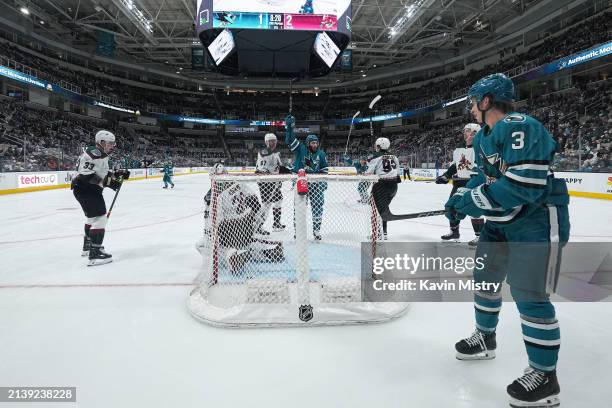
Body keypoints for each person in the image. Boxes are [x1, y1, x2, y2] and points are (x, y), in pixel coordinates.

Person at [445, 73, 569, 408]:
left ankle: (545, 376)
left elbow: (523, 185)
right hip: (500, 223)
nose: (470, 109)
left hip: (535, 221)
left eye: (473, 102)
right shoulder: (482, 138)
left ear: (486, 101)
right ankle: (485, 337)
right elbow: (483, 179)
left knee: (530, 295)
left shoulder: (520, 125)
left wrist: (474, 201)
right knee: (484, 280)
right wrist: (459, 199)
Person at [197, 164, 284, 273]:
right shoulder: (239, 182)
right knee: (245, 243)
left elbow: (216, 223)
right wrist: (251, 219)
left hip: (229, 232)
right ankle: (265, 252)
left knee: (201, 245)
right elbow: (255, 203)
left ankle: (231, 256)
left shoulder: (215, 196)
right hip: (246, 228)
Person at [72, 130, 130, 266]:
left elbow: (101, 172)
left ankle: (88, 246)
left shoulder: (101, 154)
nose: (113, 145)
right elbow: (87, 176)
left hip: (85, 190)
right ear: (102, 142)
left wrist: (117, 174)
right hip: (86, 190)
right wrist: (110, 182)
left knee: (92, 219)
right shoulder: (94, 154)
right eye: (110, 143)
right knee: (100, 219)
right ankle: (95, 253)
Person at [436, 123, 485, 247]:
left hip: (474, 182)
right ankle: (454, 232)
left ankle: (480, 237)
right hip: (459, 183)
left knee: (475, 209)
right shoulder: (459, 148)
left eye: (468, 131)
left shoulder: (481, 147)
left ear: (475, 133)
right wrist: (446, 176)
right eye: (465, 131)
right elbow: (455, 165)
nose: (465, 133)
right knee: (452, 207)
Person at [285, 114, 328, 240]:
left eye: (316, 143)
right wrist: (289, 127)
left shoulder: (321, 154)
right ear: (308, 143)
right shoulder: (300, 149)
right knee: (298, 209)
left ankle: (316, 231)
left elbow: (325, 170)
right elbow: (290, 140)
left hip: (316, 186)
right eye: (313, 143)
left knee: (318, 209)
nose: (315, 145)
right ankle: (298, 231)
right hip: (301, 184)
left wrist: (323, 183)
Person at [254, 133, 291, 234]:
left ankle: (276, 223)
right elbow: (264, 168)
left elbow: (278, 167)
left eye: (274, 140)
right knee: (267, 204)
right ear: (266, 142)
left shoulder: (275, 153)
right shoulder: (265, 151)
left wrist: (288, 171)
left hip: (272, 181)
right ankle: (258, 226)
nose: (273, 142)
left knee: (278, 200)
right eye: (270, 141)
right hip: (266, 182)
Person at [365, 137, 401, 240]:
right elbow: (398, 173)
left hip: (381, 186)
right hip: (393, 186)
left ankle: (377, 234)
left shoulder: (376, 157)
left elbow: (368, 173)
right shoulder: (395, 157)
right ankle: (384, 232)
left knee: (375, 210)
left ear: (379, 146)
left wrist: (369, 163)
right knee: (383, 209)